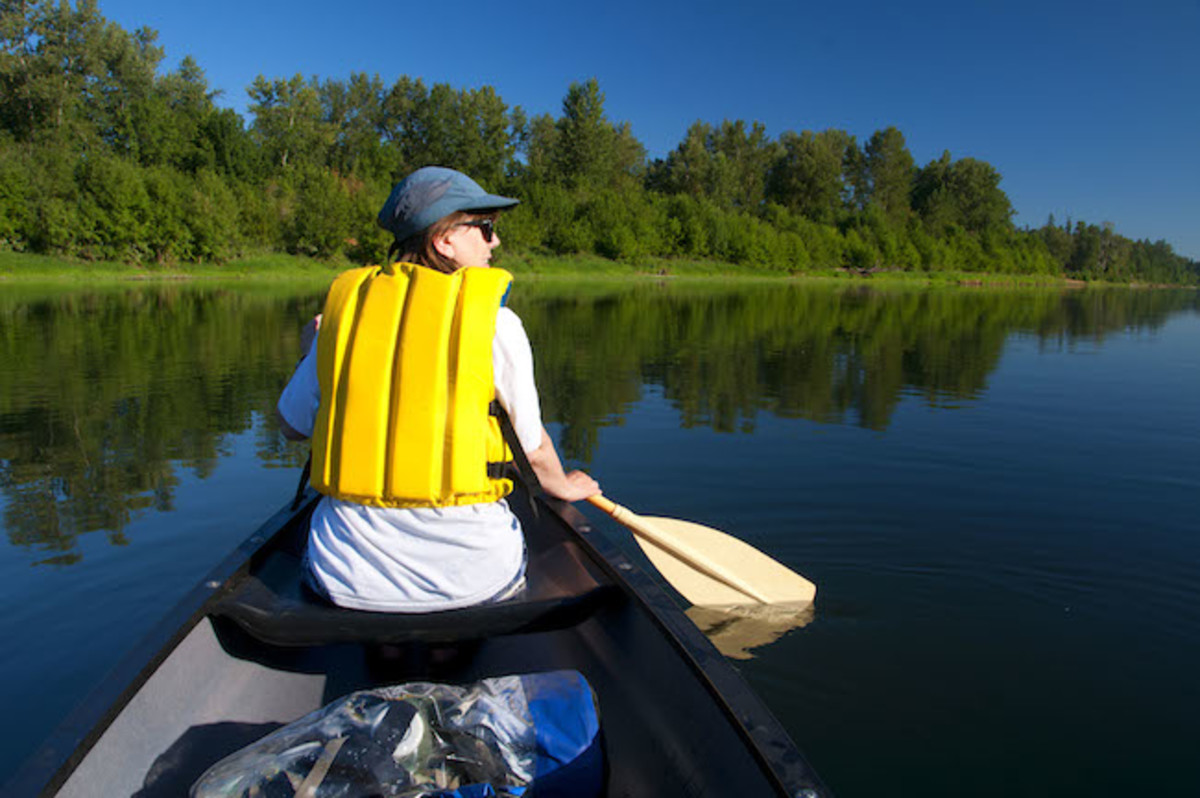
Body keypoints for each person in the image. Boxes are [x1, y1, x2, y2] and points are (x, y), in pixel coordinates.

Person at [277, 166, 599, 612]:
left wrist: (309, 350)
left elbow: (291, 428)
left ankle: (389, 652)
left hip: (345, 578)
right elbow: (532, 449)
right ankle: (449, 653)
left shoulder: (341, 322)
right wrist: (561, 485)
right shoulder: (498, 324)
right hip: (475, 577)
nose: (495, 242)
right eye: (485, 229)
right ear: (444, 240)